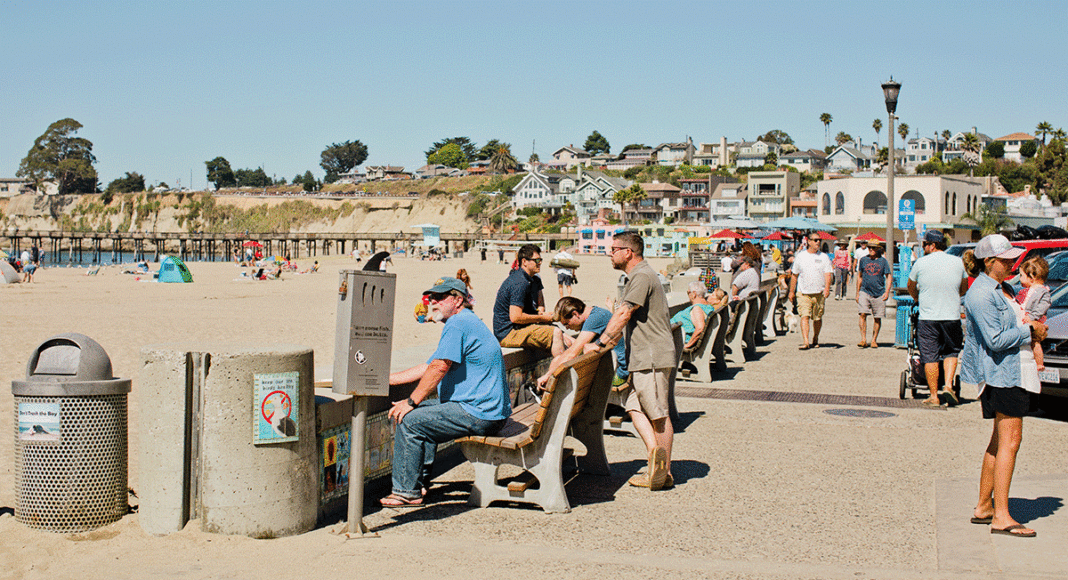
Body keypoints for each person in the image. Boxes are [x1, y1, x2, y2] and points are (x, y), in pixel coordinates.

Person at [382, 277, 510, 507]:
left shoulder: (458, 324)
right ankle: (418, 483)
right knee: (420, 415)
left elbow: (440, 367)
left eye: (440, 297)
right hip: (488, 410)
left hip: (479, 413)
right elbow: (429, 366)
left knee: (410, 420)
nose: (433, 302)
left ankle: (405, 491)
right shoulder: (467, 321)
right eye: (432, 298)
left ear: (458, 300)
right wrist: (388, 380)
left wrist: (410, 401)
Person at [960, 234, 1046, 538]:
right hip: (1003, 374)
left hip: (1010, 372)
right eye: (1006, 259)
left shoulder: (1001, 288)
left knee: (999, 441)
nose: (1013, 262)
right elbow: (995, 340)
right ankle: (1001, 516)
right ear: (988, 261)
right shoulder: (982, 294)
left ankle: (985, 506)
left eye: (1012, 257)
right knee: (1010, 441)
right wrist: (1030, 330)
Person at [596, 231, 676, 490]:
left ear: (627, 252)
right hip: (642, 356)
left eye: (614, 249)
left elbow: (624, 314)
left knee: (658, 415)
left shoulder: (641, 275)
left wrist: (600, 344)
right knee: (633, 406)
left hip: (650, 356)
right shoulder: (639, 275)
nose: (610, 253)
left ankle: (664, 473)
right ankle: (657, 462)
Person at [908, 229, 967, 407]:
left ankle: (934, 396)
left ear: (932, 245)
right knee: (951, 351)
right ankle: (948, 385)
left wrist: (917, 298)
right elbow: (963, 288)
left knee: (930, 355)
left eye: (925, 244)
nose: (923, 247)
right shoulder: (958, 262)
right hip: (952, 316)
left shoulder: (921, 263)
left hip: (928, 317)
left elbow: (911, 285)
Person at [537, 296, 627, 389]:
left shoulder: (594, 319)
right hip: (617, 366)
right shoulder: (596, 312)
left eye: (566, 323)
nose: (567, 328)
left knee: (562, 370)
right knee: (557, 360)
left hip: (619, 373)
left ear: (575, 314)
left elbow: (572, 353)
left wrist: (547, 376)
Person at [492, 244, 554, 350]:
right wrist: (542, 317)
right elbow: (516, 317)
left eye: (540, 260)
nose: (540, 263)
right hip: (508, 333)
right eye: (536, 260)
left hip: (520, 327)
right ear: (524, 262)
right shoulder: (519, 282)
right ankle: (562, 365)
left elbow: (540, 303)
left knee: (557, 331)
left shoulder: (533, 279)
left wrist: (542, 314)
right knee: (554, 333)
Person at [789, 233, 833, 350]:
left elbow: (828, 274)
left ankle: (815, 338)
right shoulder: (800, 256)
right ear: (808, 241)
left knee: (817, 318)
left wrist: (827, 288)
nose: (818, 242)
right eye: (815, 240)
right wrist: (791, 291)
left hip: (819, 292)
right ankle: (806, 341)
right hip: (803, 293)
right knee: (805, 316)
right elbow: (794, 275)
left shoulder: (823, 257)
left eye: (819, 240)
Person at [1016, 256, 1051, 371]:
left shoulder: (1042, 291)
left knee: (1035, 342)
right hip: (1025, 319)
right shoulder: (1025, 290)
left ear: (1031, 277)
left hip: (1034, 320)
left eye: (1021, 275)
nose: (1019, 279)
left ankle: (1039, 363)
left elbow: (1044, 306)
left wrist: (1032, 317)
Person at [856, 241, 892, 348]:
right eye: (869, 247)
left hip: (879, 292)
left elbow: (888, 276)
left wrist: (887, 291)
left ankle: (874, 340)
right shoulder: (863, 260)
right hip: (865, 291)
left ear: (878, 249)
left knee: (877, 317)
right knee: (862, 314)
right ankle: (863, 339)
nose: (871, 249)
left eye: (874, 248)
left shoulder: (883, 261)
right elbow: (860, 276)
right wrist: (857, 293)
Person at [671, 282, 716, 351]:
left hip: (677, 339)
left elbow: (700, 328)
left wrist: (687, 345)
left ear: (694, 294)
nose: (688, 295)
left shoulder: (697, 308)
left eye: (688, 292)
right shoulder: (708, 306)